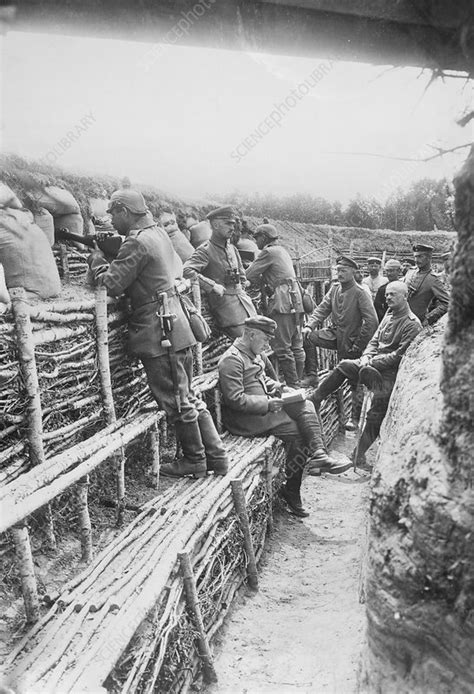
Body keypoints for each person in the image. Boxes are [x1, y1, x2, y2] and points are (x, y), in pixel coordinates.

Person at [87, 189, 228, 479]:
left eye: (114, 213)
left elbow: (112, 284)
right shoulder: (160, 234)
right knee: (188, 395)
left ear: (125, 211)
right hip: (177, 323)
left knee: (176, 400)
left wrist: (97, 261)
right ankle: (216, 457)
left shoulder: (136, 243)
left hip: (160, 330)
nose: (112, 220)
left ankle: (195, 460)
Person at [218, 316, 351, 518]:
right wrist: (268, 403)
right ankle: (301, 480)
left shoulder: (252, 353)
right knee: (301, 430)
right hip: (246, 419)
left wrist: (281, 388)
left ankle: (318, 458)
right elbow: (235, 399)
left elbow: (262, 380)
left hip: (265, 410)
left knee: (304, 406)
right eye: (264, 339)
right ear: (251, 334)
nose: (267, 344)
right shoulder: (232, 360)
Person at [309, 281, 422, 467]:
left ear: (405, 296)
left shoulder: (412, 324)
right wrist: (366, 357)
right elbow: (375, 339)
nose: (388, 298)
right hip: (369, 363)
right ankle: (316, 397)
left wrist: (372, 361)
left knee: (376, 412)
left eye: (393, 294)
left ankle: (358, 454)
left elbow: (397, 356)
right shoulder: (388, 314)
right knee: (345, 365)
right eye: (386, 295)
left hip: (388, 374)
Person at [302, 256, 378, 390]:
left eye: (344, 271)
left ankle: (355, 397)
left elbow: (372, 322)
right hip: (335, 334)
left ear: (354, 272)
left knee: (351, 376)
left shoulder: (360, 293)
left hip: (352, 338)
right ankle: (312, 376)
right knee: (309, 338)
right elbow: (322, 309)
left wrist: (359, 345)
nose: (340, 274)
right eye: (338, 271)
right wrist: (309, 325)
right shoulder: (335, 289)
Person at [246, 223, 305, 388]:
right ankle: (299, 380)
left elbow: (249, 274)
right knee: (296, 344)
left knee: (283, 347)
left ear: (264, 238)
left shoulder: (268, 252)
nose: (255, 241)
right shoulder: (282, 250)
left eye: (257, 237)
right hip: (295, 300)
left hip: (283, 302)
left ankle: (294, 385)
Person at [183, 206, 256, 338]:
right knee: (248, 345)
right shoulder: (205, 250)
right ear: (215, 225)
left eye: (233, 224)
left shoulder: (232, 249)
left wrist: (243, 285)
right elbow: (187, 270)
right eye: (228, 224)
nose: (232, 228)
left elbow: (241, 275)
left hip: (245, 305)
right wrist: (212, 286)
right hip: (228, 313)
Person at [405, 244, 449, 326]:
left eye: (420, 257)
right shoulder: (410, 272)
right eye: (415, 257)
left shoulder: (433, 279)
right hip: (398, 319)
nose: (416, 260)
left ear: (429, 258)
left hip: (415, 323)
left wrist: (428, 318)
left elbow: (447, 303)